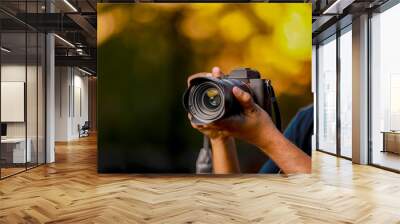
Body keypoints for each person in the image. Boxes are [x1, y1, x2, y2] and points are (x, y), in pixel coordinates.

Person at [189, 67, 312, 174]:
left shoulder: (309, 119)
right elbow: (232, 197)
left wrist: (266, 136)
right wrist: (219, 136)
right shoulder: (306, 121)